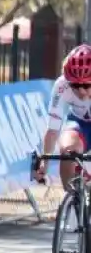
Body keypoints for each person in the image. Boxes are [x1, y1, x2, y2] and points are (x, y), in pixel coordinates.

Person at [33, 44, 91, 191]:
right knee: (67, 151)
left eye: (87, 85)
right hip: (79, 123)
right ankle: (72, 201)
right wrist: (45, 162)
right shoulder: (62, 86)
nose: (81, 91)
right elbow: (53, 129)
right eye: (75, 85)